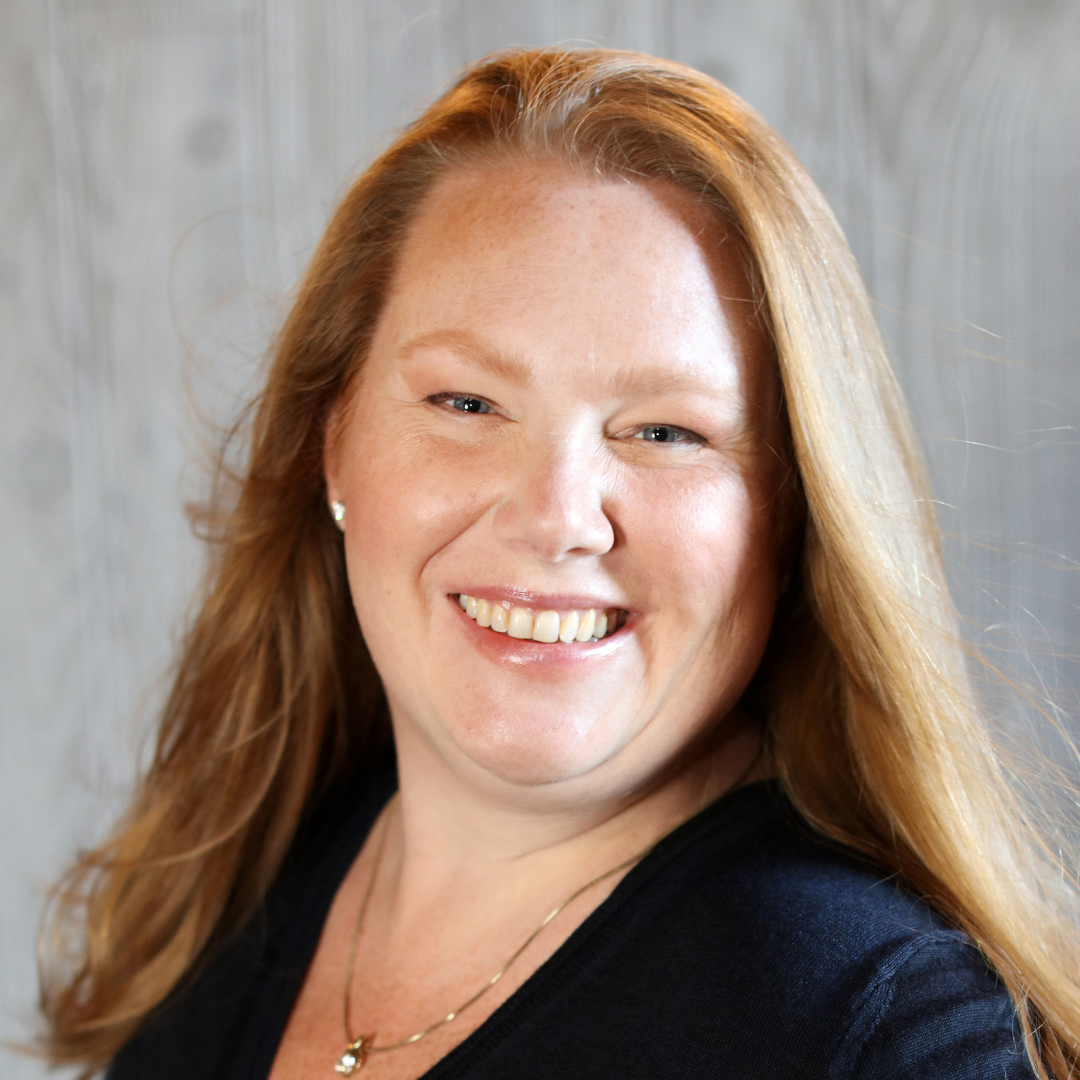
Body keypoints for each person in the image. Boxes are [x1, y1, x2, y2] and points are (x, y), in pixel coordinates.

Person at [38, 48, 1079, 1080]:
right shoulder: (234, 890)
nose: (555, 518)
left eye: (664, 431)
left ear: (794, 509)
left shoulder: (886, 1038)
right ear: (333, 438)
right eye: (467, 404)